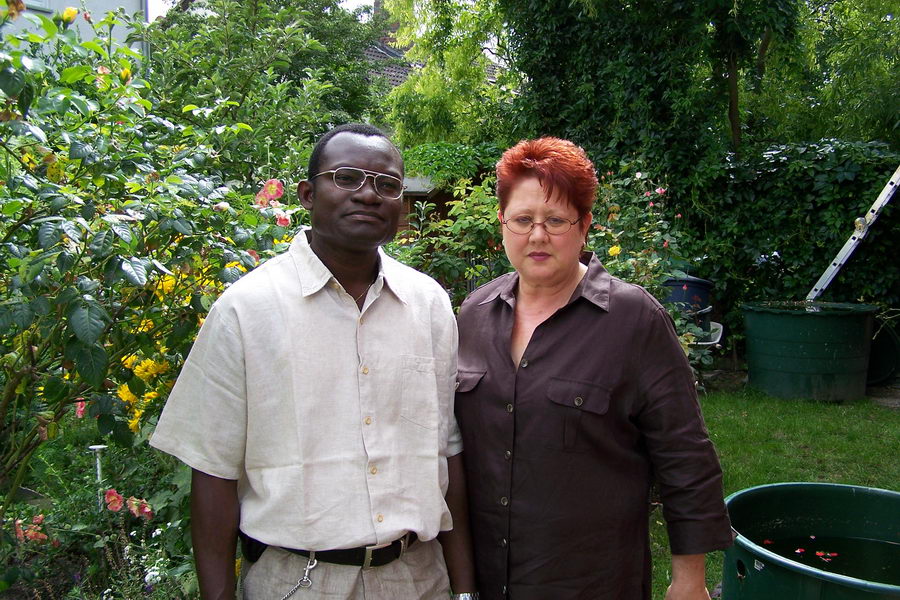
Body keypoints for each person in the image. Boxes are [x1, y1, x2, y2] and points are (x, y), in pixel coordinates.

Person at [150, 123, 476, 600]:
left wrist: (464, 590)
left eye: (387, 185)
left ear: (402, 207)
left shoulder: (428, 304)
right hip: (298, 581)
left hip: (418, 577)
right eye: (346, 178)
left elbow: (447, 452)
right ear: (306, 193)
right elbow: (212, 471)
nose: (368, 194)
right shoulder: (246, 310)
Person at [454, 137, 732, 600]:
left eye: (556, 220)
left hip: (592, 581)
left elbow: (685, 454)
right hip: (488, 581)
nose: (538, 235)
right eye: (523, 220)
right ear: (502, 225)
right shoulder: (475, 314)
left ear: (584, 226)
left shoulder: (633, 319)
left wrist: (689, 579)